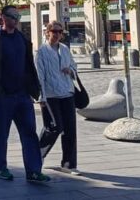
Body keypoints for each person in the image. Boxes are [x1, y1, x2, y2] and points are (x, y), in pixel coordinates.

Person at [0, 5, 50, 183]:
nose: (16, 19)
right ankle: (1, 167)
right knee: (0, 134)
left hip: (22, 95)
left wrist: (33, 89)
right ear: (3, 17)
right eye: (13, 16)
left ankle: (34, 171)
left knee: (29, 133)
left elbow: (28, 65)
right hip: (2, 96)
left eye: (18, 16)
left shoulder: (22, 38)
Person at [35, 21, 80, 175]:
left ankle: (69, 164)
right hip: (51, 95)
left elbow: (74, 66)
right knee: (53, 127)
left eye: (60, 32)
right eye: (54, 31)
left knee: (70, 129)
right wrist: (41, 97)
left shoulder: (65, 49)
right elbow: (39, 75)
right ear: (47, 32)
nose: (57, 34)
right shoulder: (41, 51)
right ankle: (37, 156)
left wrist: (71, 71)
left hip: (67, 92)